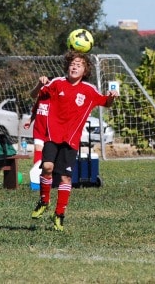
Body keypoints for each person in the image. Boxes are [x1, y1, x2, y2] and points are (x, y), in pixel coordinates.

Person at [30, 51, 119, 231]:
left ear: (85, 70)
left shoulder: (89, 90)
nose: (74, 66)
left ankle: (59, 214)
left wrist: (111, 96)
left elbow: (106, 103)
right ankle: (44, 201)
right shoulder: (56, 83)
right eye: (72, 63)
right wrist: (39, 84)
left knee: (65, 177)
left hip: (70, 140)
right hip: (52, 135)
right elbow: (34, 95)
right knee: (47, 167)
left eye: (79, 64)